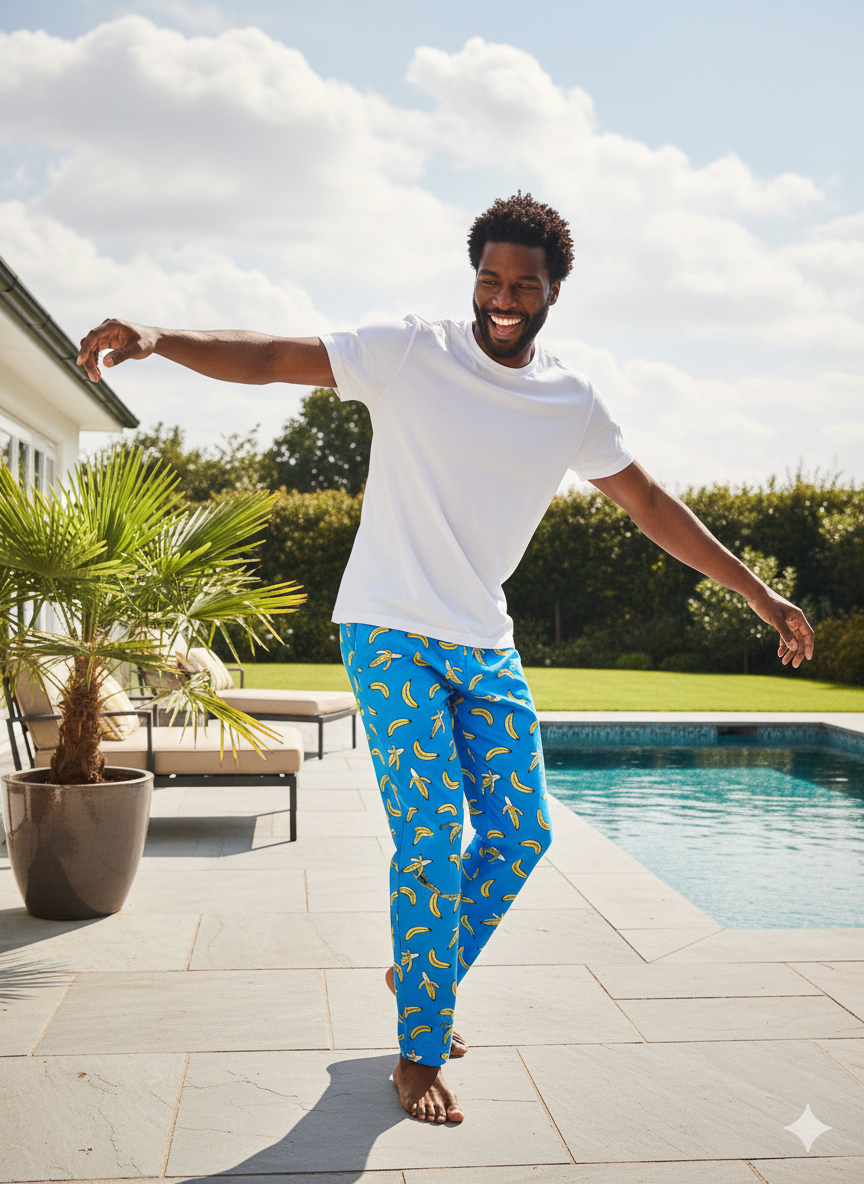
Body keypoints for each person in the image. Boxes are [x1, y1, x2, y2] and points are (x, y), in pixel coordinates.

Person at [77, 192, 815, 1126]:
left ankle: (423, 963)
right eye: (490, 279)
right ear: (474, 279)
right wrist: (156, 336)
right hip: (387, 629)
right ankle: (418, 1052)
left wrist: (759, 593)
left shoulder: (571, 400)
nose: (503, 299)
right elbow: (267, 358)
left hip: (483, 639)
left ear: (553, 293)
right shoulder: (410, 351)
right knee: (428, 839)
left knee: (523, 832)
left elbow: (652, 505)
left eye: (524, 285)